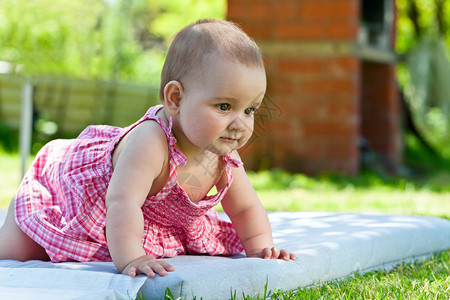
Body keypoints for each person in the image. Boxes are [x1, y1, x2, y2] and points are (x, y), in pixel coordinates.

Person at [0, 18, 296, 278]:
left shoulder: (221, 154)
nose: (240, 124)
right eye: (224, 106)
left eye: (250, 110)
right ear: (176, 99)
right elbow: (122, 202)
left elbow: (245, 208)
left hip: (136, 220)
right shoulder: (152, 141)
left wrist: (261, 250)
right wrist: (132, 257)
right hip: (71, 193)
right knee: (16, 252)